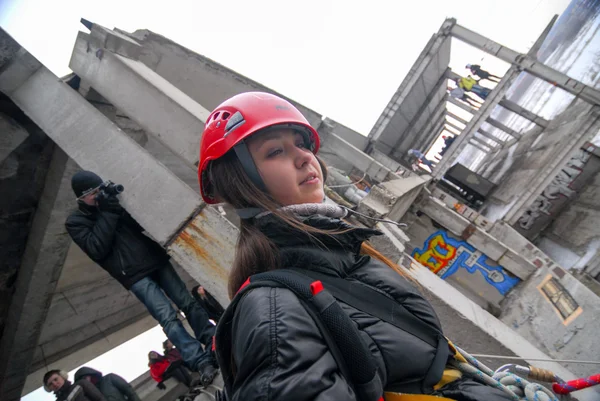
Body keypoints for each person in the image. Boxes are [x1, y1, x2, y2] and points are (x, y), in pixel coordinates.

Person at [198, 92, 512, 400]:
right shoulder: (271, 310)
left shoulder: (339, 256)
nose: (305, 156)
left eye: (302, 144)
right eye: (275, 151)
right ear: (244, 183)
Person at [65, 171, 217, 385]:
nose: (99, 195)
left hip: (154, 259)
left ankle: (214, 340)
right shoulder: (76, 221)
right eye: (93, 193)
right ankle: (200, 361)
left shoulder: (112, 203)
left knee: (188, 303)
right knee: (168, 318)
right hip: (133, 275)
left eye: (100, 190)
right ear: (81, 198)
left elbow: (142, 224)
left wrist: (121, 207)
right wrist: (108, 213)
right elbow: (96, 248)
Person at [74, 367, 140, 401]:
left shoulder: (109, 378)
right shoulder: (88, 396)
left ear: (90, 374)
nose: (85, 381)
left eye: (85, 377)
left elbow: (128, 390)